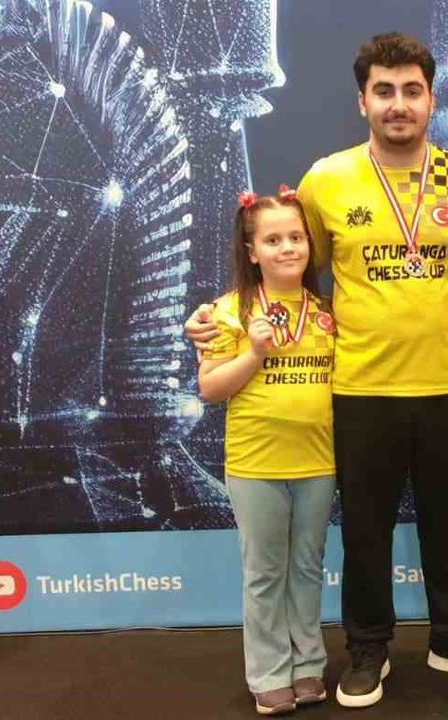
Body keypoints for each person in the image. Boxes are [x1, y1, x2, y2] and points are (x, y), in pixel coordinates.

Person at [185, 33, 448, 710]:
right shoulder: (327, 180)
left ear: (431, 99)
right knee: (366, 529)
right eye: (384, 91)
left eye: (412, 91)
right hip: (361, 388)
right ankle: (368, 647)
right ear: (362, 100)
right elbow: (283, 261)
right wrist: (221, 315)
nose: (399, 104)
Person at [197, 188, 337, 716]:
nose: (288, 248)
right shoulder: (228, 311)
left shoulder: (327, 312)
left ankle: (308, 665)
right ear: (251, 251)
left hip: (318, 462)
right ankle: (269, 673)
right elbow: (210, 389)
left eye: (296, 237)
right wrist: (254, 353)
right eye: (273, 240)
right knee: (264, 573)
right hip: (256, 465)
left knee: (307, 569)